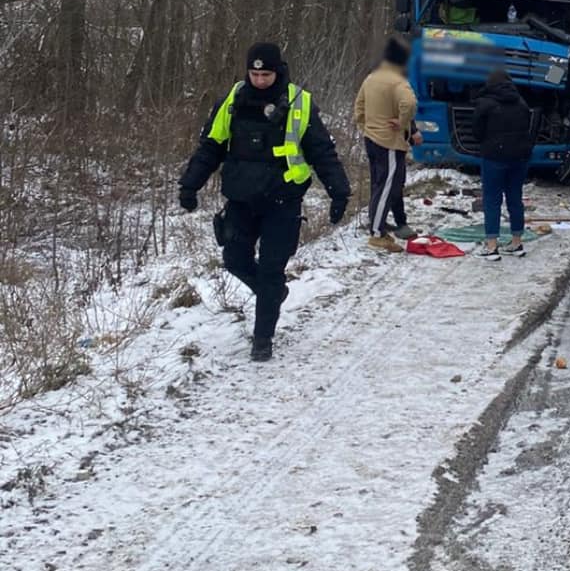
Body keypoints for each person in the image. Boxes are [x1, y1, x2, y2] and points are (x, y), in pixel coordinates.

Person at [178, 41, 351, 362]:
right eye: (254, 73)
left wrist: (339, 191)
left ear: (278, 71)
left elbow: (322, 153)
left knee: (271, 270)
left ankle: (262, 338)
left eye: (266, 74)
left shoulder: (299, 103)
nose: (259, 80)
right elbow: (210, 147)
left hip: (282, 202)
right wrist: (190, 185)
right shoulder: (232, 99)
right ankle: (272, 295)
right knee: (234, 260)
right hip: (241, 200)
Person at [354, 34, 420, 250]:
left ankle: (378, 226)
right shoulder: (398, 81)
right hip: (389, 142)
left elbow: (359, 108)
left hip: (371, 138)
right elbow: (409, 103)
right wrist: (402, 123)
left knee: (378, 184)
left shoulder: (371, 78)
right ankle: (377, 233)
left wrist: (366, 126)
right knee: (387, 186)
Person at [473, 66, 534, 260]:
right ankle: (516, 243)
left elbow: (477, 132)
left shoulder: (484, 103)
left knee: (492, 200)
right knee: (515, 199)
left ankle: (492, 247)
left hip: (494, 158)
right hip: (519, 158)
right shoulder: (521, 103)